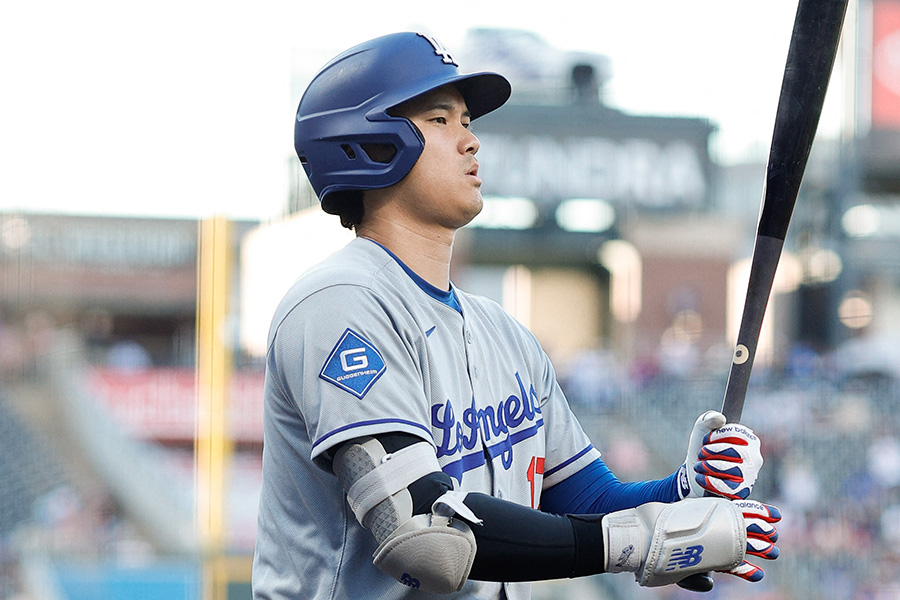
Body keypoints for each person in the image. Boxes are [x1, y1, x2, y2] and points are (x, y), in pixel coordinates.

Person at [252, 32, 781, 600]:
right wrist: (641, 538)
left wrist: (685, 493)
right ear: (371, 145)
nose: (471, 140)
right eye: (440, 120)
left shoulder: (503, 334)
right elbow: (423, 535)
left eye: (467, 121)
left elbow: (588, 504)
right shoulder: (339, 301)